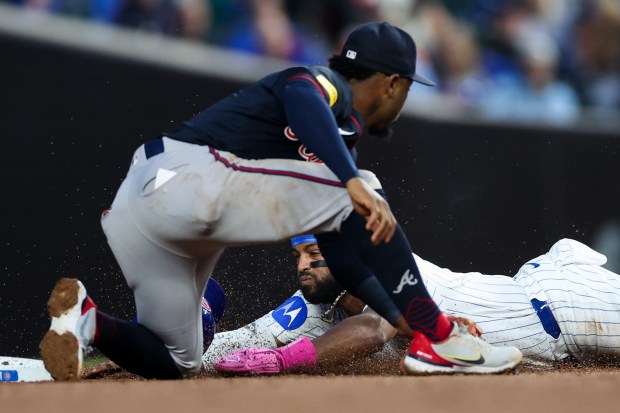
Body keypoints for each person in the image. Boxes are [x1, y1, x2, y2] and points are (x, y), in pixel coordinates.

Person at [39, 21, 521, 381]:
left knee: (177, 362)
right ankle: (439, 338)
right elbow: (302, 95)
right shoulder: (322, 84)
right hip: (180, 177)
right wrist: (350, 180)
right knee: (363, 192)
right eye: (405, 89)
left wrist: (400, 320)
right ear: (392, 83)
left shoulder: (338, 142)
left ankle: (86, 322)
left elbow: (343, 258)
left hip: (143, 217)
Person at [212, 236, 620, 375]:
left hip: (565, 304)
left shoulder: (385, 263)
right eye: (297, 254)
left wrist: (284, 360)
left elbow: (374, 330)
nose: (303, 265)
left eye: (314, 252)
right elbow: (233, 346)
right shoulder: (320, 300)